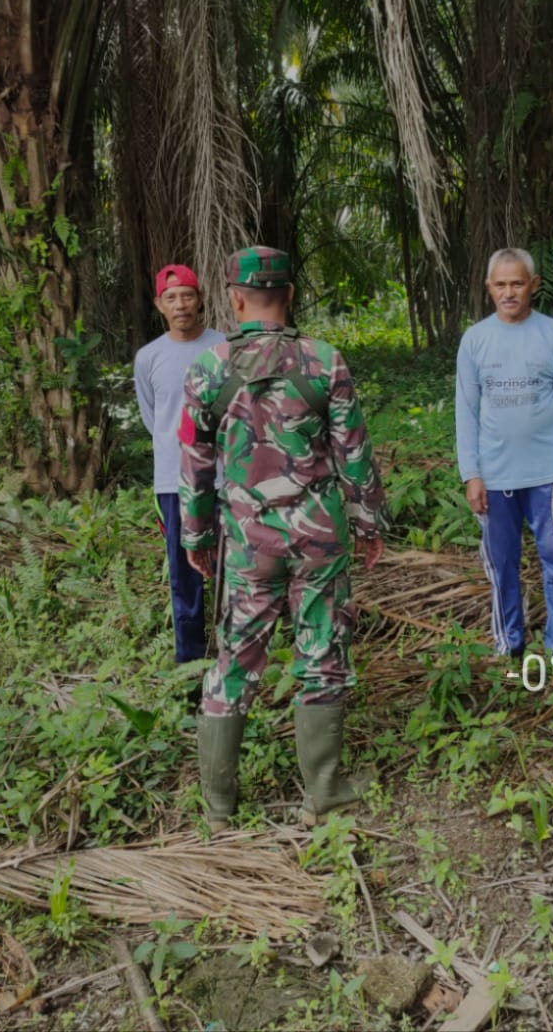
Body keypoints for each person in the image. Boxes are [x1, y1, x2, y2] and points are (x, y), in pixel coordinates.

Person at [178, 246, 389, 831]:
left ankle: (219, 809)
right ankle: (324, 794)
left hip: (247, 541)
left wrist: (196, 536)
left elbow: (194, 466)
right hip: (318, 535)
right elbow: (355, 455)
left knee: (235, 657)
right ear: (290, 294)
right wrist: (370, 521)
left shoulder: (209, 369)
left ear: (233, 297)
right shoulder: (324, 362)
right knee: (321, 653)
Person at [455, 248, 553, 681]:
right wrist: (471, 474)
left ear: (533, 284)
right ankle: (508, 645)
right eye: (500, 284)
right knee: (500, 564)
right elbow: (466, 412)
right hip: (494, 477)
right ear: (488, 287)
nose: (509, 292)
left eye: (517, 283)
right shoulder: (475, 340)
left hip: (549, 477)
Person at [134, 264, 225, 667]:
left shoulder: (225, 347)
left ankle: (234, 654)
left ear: (200, 298)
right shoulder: (148, 357)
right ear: (159, 305)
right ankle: (190, 661)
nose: (180, 304)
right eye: (171, 298)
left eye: (187, 295)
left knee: (232, 567)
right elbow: (154, 419)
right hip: (173, 480)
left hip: (225, 479)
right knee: (183, 573)